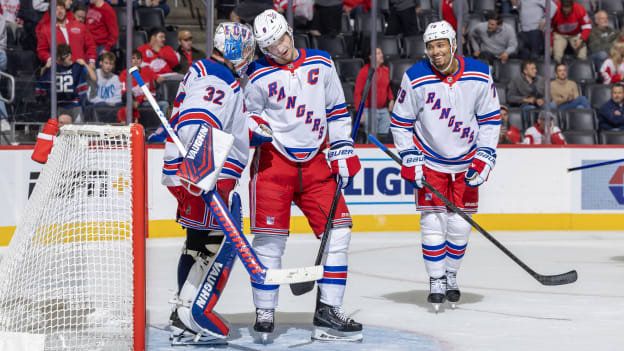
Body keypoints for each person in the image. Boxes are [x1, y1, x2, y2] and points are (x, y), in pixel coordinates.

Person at [244, 9, 363, 342]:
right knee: (269, 244)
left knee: (339, 234)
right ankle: (265, 311)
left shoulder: (322, 63)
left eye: (281, 40)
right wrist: (255, 127)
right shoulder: (255, 74)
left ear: (289, 32)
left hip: (315, 165)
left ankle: (328, 311)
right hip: (273, 163)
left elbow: (338, 109)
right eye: (269, 47)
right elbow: (247, 115)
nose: (278, 50)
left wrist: (342, 149)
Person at [390, 20, 501, 311]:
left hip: (467, 163)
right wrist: (410, 156)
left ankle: (451, 274)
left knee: (459, 226)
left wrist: (486, 155)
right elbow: (400, 123)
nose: (436, 52)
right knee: (431, 223)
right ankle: (436, 279)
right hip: (431, 161)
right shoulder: (415, 77)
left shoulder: (479, 73)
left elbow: (490, 120)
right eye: (430, 46)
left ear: (453, 44)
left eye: (440, 45)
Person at [163, 21, 254, 346]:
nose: (248, 55)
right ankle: (190, 318)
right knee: (214, 246)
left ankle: (181, 313)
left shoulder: (201, 68)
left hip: (192, 168)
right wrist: (202, 167)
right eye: (244, 49)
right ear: (232, 49)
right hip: (206, 172)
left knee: (197, 242)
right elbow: (201, 118)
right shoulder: (220, 76)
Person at [36, 43, 97, 122]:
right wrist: (45, 67)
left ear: (70, 55)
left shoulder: (77, 67)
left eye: (65, 57)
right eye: (61, 58)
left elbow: (94, 78)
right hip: (58, 104)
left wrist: (85, 64)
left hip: (75, 103)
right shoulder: (54, 67)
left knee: (78, 126)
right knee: (59, 126)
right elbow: (42, 77)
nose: (63, 61)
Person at [36, 3, 97, 69]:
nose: (60, 11)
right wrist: (50, 60)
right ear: (51, 13)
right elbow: (41, 50)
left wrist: (92, 61)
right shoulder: (46, 30)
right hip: (59, 69)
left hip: (79, 67)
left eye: (62, 8)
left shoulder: (80, 26)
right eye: (56, 9)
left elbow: (91, 45)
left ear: (65, 10)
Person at [354, 47, 394, 138]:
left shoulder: (386, 70)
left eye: (381, 53)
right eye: (378, 53)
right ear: (371, 57)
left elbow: (388, 87)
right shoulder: (364, 72)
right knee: (372, 139)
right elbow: (358, 93)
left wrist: (391, 99)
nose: (381, 55)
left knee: (385, 137)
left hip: (383, 110)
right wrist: (360, 113)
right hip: (369, 110)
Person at [118, 49, 167, 123]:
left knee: (165, 104)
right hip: (134, 103)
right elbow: (124, 94)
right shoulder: (124, 74)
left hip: (148, 101)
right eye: (133, 58)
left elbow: (158, 78)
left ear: (141, 61)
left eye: (138, 58)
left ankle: (162, 128)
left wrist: (159, 79)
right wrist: (142, 99)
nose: (136, 61)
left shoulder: (147, 70)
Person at [587, 10, 618, 74]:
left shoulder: (612, 30)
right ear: (596, 20)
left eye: (606, 18)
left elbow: (619, 41)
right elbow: (596, 48)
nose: (605, 20)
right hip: (594, 55)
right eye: (602, 18)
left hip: (611, 53)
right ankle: (604, 76)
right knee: (602, 54)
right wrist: (611, 41)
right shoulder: (591, 31)